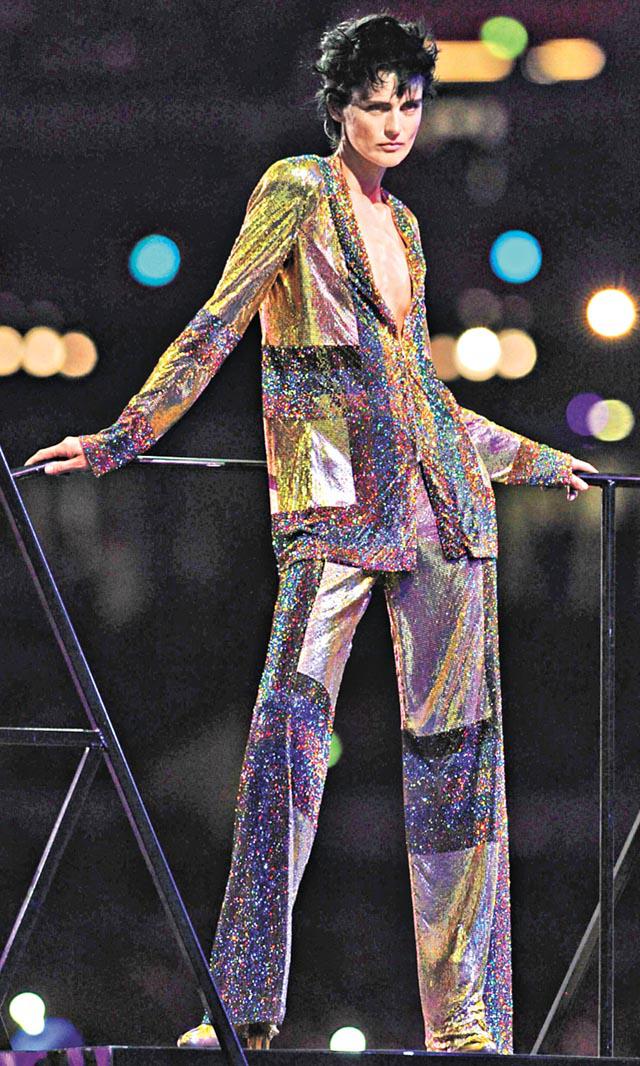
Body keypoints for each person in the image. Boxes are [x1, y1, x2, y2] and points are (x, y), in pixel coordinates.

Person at [25, 13, 597, 1054]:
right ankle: (241, 1006)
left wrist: (534, 458)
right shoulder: (296, 189)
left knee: (457, 766)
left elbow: (423, 397)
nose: (395, 123)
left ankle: (464, 1021)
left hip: (444, 512)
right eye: (375, 105)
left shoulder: (407, 226)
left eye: (409, 103)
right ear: (338, 109)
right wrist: (122, 437)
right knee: (283, 749)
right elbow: (218, 321)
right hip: (332, 512)